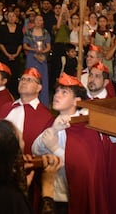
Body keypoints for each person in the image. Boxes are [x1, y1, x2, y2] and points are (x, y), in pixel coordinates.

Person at [31, 73, 109, 214]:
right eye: (57, 91)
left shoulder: (86, 129)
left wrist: (54, 148)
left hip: (71, 196)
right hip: (50, 192)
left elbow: (83, 168)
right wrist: (53, 130)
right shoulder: (52, 122)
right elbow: (35, 149)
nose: (57, 95)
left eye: (64, 92)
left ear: (76, 101)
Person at [0, 119, 62, 214]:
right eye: (21, 140)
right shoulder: (11, 198)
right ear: (13, 154)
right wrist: (48, 189)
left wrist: (21, 180)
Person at [0, 67, 54, 154]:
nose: (24, 82)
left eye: (29, 80)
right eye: (22, 79)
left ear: (39, 88)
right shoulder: (5, 108)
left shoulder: (46, 116)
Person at [23, 14, 51, 108]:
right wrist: (33, 50)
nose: (39, 22)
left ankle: (43, 104)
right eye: (37, 20)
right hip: (31, 57)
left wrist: (42, 51)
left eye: (40, 20)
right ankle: (28, 100)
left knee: (42, 79)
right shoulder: (29, 32)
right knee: (30, 77)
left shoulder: (45, 32)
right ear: (34, 21)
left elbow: (48, 47)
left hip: (42, 58)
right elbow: (25, 45)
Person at [0, 10, 24, 97]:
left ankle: (13, 95)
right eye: (10, 16)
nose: (11, 18)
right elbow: (0, 43)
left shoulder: (19, 28)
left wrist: (16, 54)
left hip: (16, 55)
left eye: (13, 16)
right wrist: (7, 54)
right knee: (4, 75)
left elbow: (20, 43)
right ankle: (2, 94)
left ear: (16, 18)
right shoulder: (2, 28)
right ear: (7, 17)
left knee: (14, 76)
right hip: (4, 55)